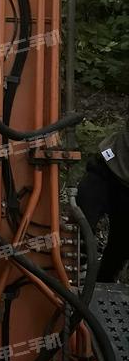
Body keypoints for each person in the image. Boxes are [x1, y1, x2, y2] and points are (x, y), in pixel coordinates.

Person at [76, 119, 129, 282]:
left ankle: (103, 283)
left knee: (120, 246)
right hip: (108, 166)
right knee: (81, 225)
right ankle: (75, 271)